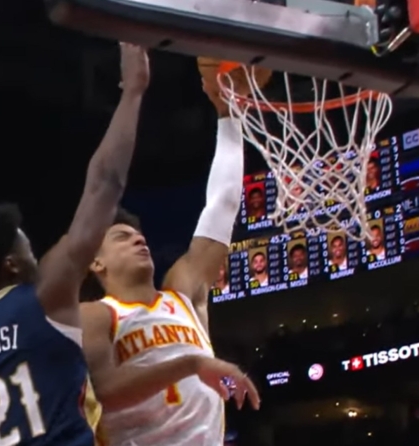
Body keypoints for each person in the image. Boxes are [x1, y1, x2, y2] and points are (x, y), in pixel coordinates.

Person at [0, 43, 150, 446]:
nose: (35, 257)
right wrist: (133, 93)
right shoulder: (45, 297)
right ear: (12, 264)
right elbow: (105, 184)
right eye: (28, 249)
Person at [79, 69, 261, 446]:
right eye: (122, 237)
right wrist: (192, 364)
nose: (138, 239)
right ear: (97, 262)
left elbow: (222, 206)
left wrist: (229, 116)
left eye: (139, 235)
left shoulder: (183, 293)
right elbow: (105, 391)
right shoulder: (97, 315)